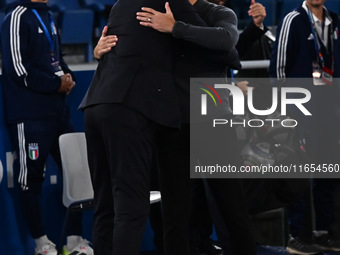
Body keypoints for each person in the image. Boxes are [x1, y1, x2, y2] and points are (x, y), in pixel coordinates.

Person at [78, 0, 208, 254]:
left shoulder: (120, 4)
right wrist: (177, 27)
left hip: (95, 104)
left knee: (106, 206)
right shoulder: (172, 2)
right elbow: (217, 44)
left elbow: (120, 45)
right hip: (128, 109)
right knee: (131, 208)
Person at [136, 1, 257, 255]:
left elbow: (226, 40)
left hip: (214, 122)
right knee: (174, 212)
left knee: (231, 204)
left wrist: (176, 28)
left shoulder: (218, 12)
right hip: (173, 124)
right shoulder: (159, 11)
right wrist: (101, 52)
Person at [0, 0, 93, 255]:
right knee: (31, 176)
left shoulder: (47, 14)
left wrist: (68, 74)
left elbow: (55, 59)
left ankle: (74, 240)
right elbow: (16, 68)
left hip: (57, 112)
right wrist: (55, 84)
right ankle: (41, 242)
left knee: (76, 172)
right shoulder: (16, 17)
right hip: (30, 115)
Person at [269, 0, 340, 254]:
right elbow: (278, 69)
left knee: (329, 172)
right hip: (299, 110)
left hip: (328, 110)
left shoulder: (334, 22)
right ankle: (296, 234)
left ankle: (323, 232)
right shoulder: (293, 20)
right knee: (299, 174)